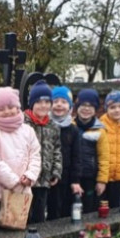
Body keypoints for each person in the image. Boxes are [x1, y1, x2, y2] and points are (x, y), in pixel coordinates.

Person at [0, 86, 40, 231]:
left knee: (21, 227)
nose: (7, 111)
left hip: (23, 189)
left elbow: (35, 155)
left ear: (18, 107)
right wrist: (14, 181)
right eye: (1, 109)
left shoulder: (27, 130)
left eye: (11, 107)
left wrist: (30, 175)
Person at [23, 80, 61, 223]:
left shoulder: (53, 126)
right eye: (39, 102)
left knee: (39, 217)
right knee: (24, 216)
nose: (43, 106)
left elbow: (57, 150)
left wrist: (56, 171)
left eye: (47, 102)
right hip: (27, 179)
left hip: (44, 178)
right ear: (32, 103)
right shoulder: (23, 123)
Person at [70, 88, 107, 214]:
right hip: (72, 176)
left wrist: (102, 180)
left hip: (90, 176)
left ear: (95, 109)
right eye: (83, 105)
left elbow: (104, 157)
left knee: (88, 210)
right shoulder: (70, 126)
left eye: (90, 106)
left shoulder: (100, 131)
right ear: (77, 107)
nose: (86, 109)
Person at [47, 86, 80, 218]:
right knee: (48, 209)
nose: (59, 105)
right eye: (55, 101)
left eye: (64, 102)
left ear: (70, 107)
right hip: (47, 175)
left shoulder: (73, 130)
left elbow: (76, 156)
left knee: (64, 210)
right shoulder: (45, 126)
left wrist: (75, 180)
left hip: (65, 175)